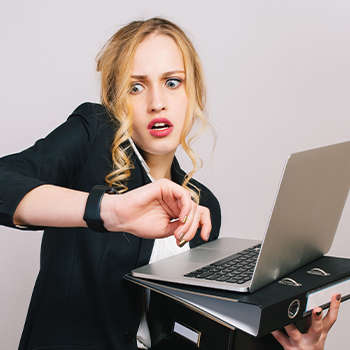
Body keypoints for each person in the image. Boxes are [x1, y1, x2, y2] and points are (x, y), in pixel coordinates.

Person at [0, 17, 341, 350]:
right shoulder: (92, 135)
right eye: (136, 87)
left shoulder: (203, 206)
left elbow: (190, 333)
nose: (156, 102)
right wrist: (110, 211)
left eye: (172, 82)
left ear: (193, 94)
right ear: (116, 100)